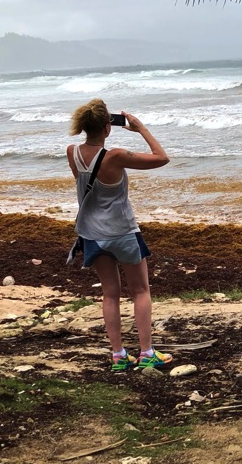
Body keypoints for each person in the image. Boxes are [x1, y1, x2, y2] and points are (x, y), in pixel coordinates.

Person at [67, 98, 173, 371]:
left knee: (110, 294)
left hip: (91, 233)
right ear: (107, 127)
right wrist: (141, 128)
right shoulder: (115, 156)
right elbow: (162, 158)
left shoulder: (73, 152)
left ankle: (118, 355)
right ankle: (147, 351)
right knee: (140, 290)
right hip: (122, 231)